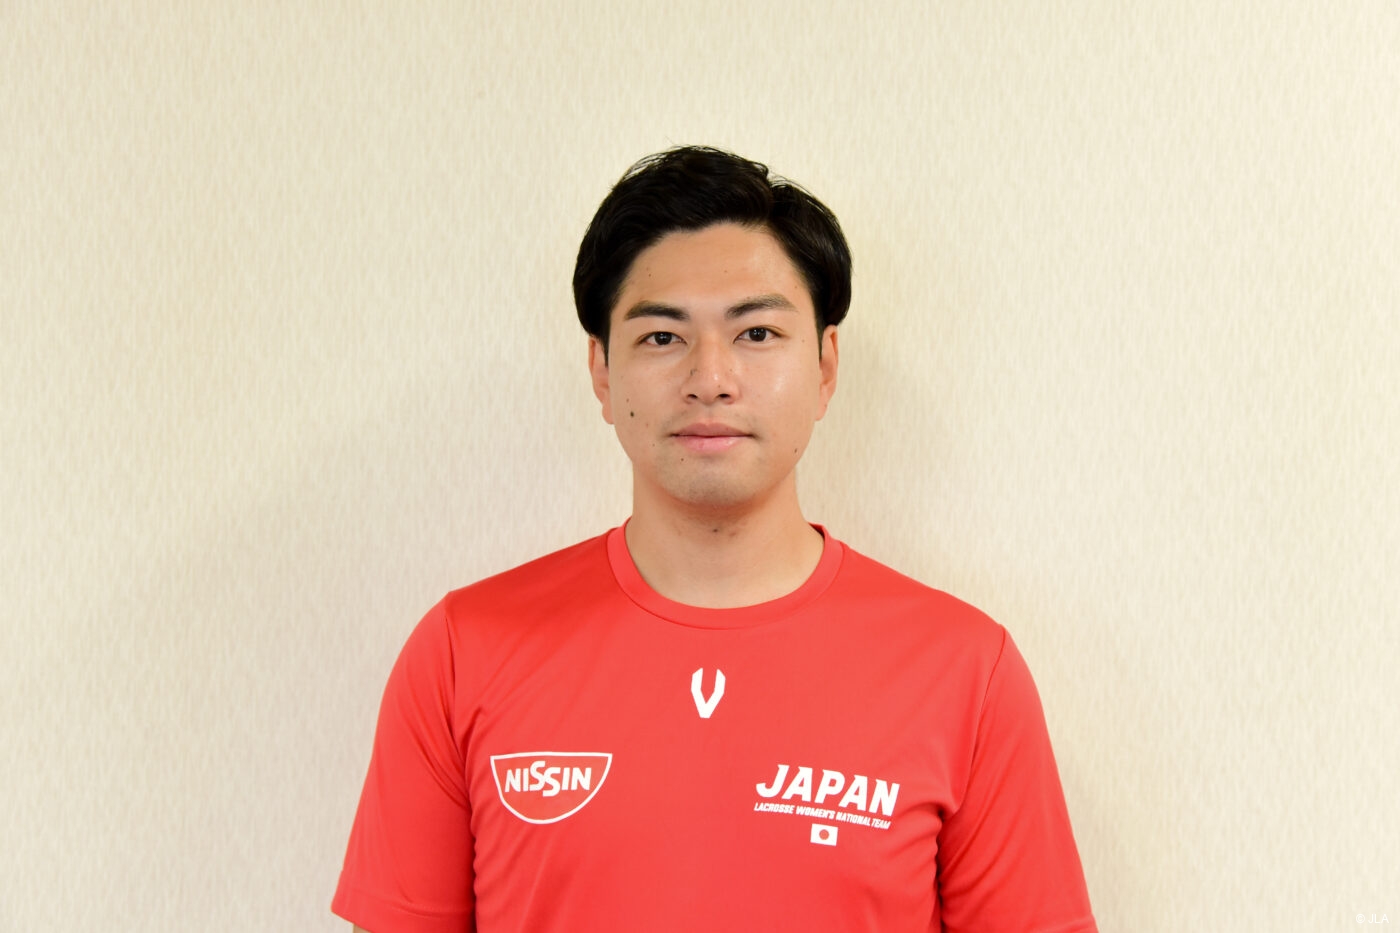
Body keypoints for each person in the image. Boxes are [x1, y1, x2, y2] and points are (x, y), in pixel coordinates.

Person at [332, 146, 1097, 932]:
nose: (711, 378)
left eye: (757, 332)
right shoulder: (463, 653)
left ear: (826, 366)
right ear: (602, 372)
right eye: (662, 337)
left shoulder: (966, 672)